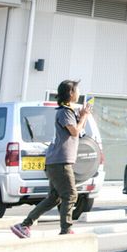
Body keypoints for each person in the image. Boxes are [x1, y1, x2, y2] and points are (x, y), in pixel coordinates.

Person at [11, 79, 90, 238]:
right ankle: (66, 229)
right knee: (70, 194)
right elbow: (74, 132)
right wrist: (83, 117)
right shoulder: (64, 111)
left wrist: (82, 116)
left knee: (55, 198)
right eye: (77, 90)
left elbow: (78, 132)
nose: (79, 93)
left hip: (57, 161)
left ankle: (24, 225)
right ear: (70, 93)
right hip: (60, 161)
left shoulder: (69, 111)